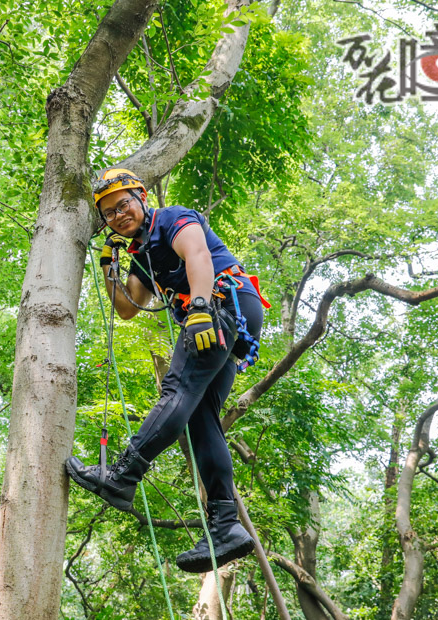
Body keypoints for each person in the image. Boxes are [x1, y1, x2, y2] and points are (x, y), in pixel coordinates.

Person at [65, 168, 269, 573]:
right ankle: (226, 526)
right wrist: (110, 265)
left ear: (141, 197)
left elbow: (197, 253)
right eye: (108, 214)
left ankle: (123, 474)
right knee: (198, 419)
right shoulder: (141, 255)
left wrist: (198, 309)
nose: (119, 215)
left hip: (222, 303)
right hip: (222, 317)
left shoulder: (173, 219)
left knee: (176, 389)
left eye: (124, 204)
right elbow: (126, 308)